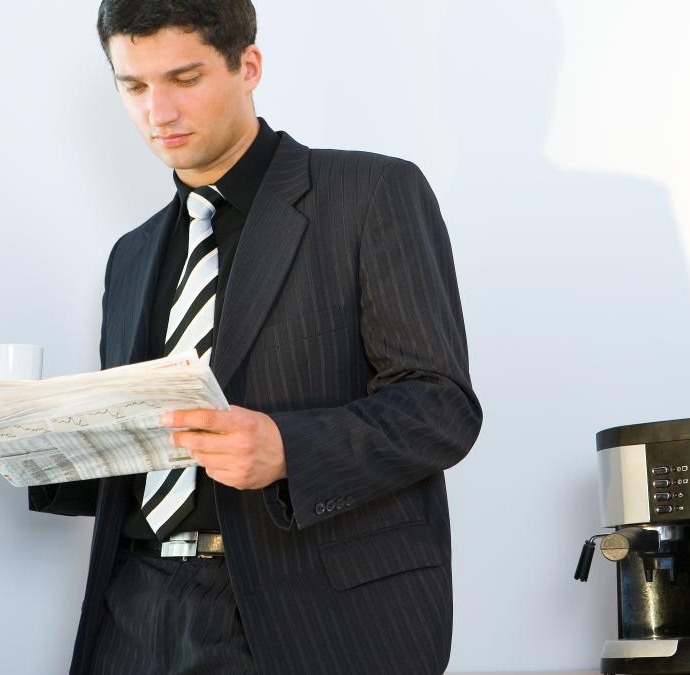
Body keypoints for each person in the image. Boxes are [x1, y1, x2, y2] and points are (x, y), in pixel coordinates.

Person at [28, 1, 482, 673]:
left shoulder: (372, 193)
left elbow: (441, 408)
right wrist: (39, 451)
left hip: (310, 617)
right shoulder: (130, 256)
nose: (159, 111)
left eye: (184, 78)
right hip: (133, 614)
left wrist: (287, 450)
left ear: (249, 66)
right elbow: (148, 453)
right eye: (134, 86)